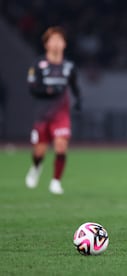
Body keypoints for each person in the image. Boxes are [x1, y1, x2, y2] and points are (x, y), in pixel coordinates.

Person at [25, 26, 81, 195]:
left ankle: (56, 182)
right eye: (53, 40)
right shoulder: (39, 65)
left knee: (61, 145)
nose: (57, 43)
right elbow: (33, 88)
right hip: (42, 114)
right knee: (39, 151)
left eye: (60, 40)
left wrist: (79, 100)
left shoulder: (69, 67)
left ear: (64, 44)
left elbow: (74, 86)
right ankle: (36, 167)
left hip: (61, 114)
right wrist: (49, 90)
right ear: (46, 44)